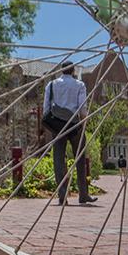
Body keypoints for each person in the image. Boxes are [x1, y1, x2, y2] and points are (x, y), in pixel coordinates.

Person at [41, 62, 95, 206]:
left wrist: (50, 125)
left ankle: (62, 194)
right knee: (80, 159)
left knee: (58, 159)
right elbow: (82, 108)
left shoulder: (51, 85)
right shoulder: (79, 85)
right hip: (74, 124)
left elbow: (46, 107)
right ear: (73, 71)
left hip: (58, 126)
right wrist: (84, 124)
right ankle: (83, 194)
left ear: (61, 70)